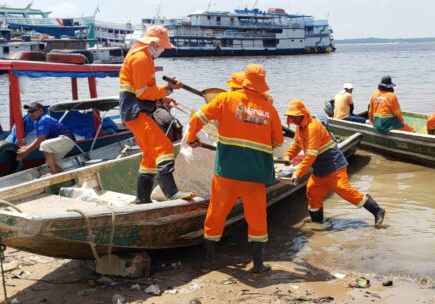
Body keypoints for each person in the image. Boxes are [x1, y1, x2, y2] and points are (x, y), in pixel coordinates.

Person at [186, 64, 284, 274]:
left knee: (216, 213)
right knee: (257, 218)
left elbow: (196, 119)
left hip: (227, 172)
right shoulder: (269, 109)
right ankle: (258, 265)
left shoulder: (224, 100)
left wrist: (192, 138)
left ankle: (208, 261)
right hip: (255, 175)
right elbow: (277, 141)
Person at [283, 100, 386, 228]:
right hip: (320, 168)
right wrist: (288, 155)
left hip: (333, 165)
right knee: (312, 192)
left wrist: (298, 173)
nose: (292, 119)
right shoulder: (300, 127)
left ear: (302, 114)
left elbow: (310, 155)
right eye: (290, 116)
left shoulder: (313, 127)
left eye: (294, 116)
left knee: (344, 191)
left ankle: (377, 210)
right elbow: (297, 144)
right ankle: (317, 223)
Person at [119, 25, 191, 204]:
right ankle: (172, 193)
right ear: (153, 43)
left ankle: (142, 199)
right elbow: (143, 93)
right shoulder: (140, 58)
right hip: (136, 112)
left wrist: (162, 97)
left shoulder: (142, 55)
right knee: (164, 147)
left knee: (150, 156)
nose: (162, 50)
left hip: (136, 111)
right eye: (162, 47)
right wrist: (168, 89)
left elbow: (144, 91)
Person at [16, 102, 76, 175]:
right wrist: (27, 148)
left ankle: (53, 172)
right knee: (49, 164)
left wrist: (26, 151)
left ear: (41, 110)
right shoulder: (36, 122)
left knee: (44, 145)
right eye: (28, 112)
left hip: (66, 139)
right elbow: (39, 139)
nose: (30, 114)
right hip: (63, 141)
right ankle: (65, 177)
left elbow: (41, 140)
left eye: (32, 111)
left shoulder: (43, 120)